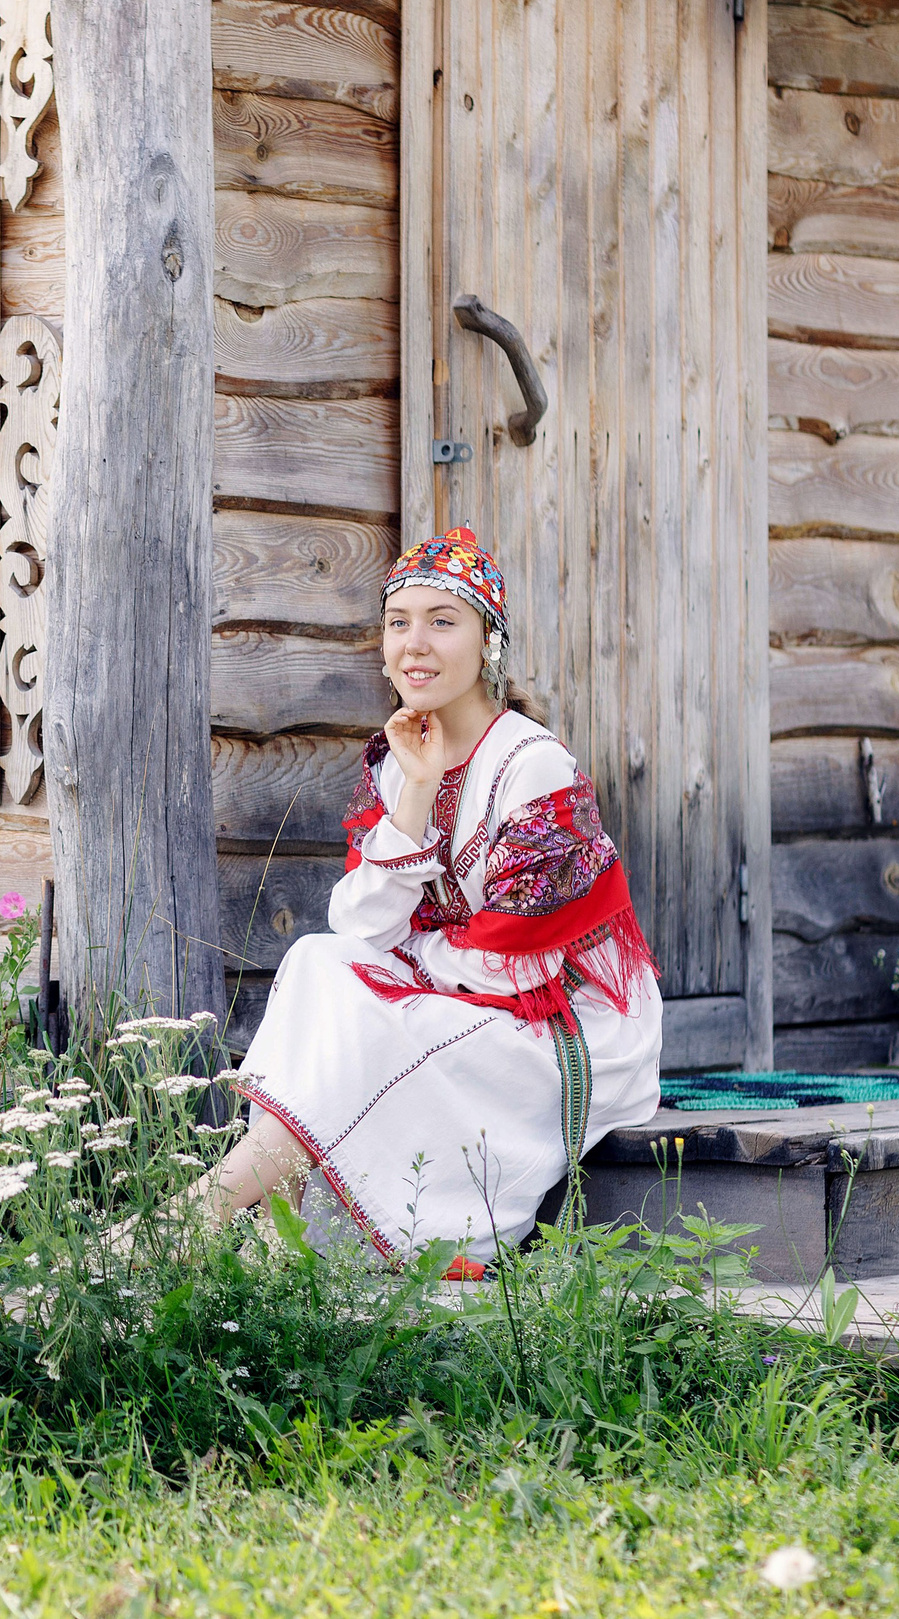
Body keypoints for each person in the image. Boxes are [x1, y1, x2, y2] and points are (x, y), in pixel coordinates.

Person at [193, 527, 662, 1266]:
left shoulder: (534, 766)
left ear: (488, 645)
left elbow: (519, 966)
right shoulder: (399, 759)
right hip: (462, 993)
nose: (415, 643)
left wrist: (409, 960)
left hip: (569, 1023)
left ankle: (208, 1214)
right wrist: (415, 789)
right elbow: (357, 923)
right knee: (318, 962)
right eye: (398, 622)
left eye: (443, 621)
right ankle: (269, 1234)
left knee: (369, 1018)